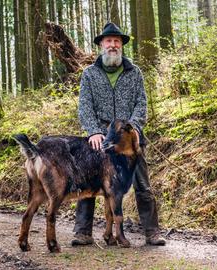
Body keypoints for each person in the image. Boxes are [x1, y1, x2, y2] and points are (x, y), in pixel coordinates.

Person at [73, 22, 166, 246]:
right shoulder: (90, 74)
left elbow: (141, 104)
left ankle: (152, 232)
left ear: (121, 45)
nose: (113, 45)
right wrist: (94, 131)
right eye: (108, 41)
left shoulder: (135, 73)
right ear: (101, 45)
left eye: (116, 41)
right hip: (101, 137)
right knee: (88, 180)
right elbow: (84, 106)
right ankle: (83, 232)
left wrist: (132, 127)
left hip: (129, 137)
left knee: (142, 183)